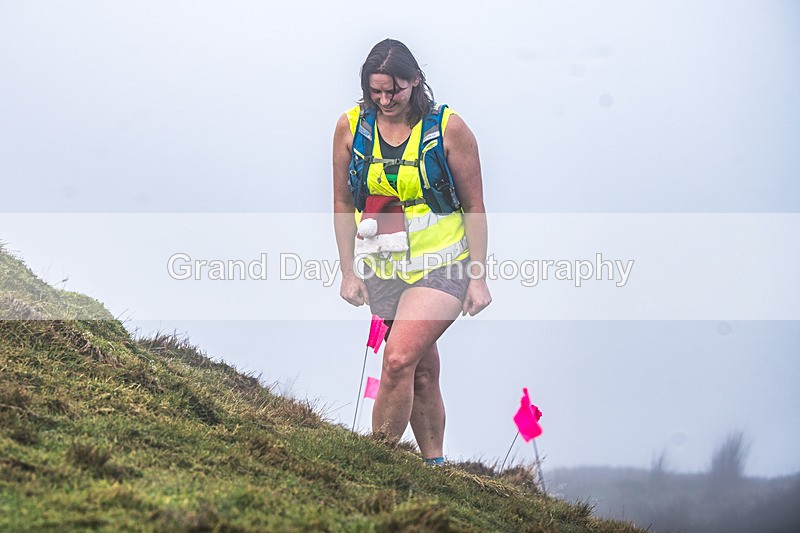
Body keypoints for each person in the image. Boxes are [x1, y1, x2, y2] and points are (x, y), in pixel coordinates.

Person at [332, 39, 491, 465]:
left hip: (444, 265)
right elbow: (343, 203)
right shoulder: (351, 127)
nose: (385, 100)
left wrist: (478, 276)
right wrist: (348, 272)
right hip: (382, 267)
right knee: (420, 369)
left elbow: (474, 205)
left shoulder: (448, 128)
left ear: (415, 81)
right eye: (376, 91)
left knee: (398, 358)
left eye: (395, 91)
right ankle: (435, 464)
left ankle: (376, 463)